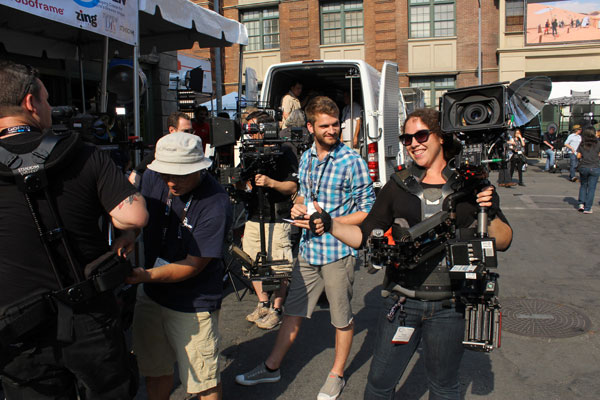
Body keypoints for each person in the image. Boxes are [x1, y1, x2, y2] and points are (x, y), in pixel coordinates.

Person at [309, 108, 513, 400]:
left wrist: (487, 211)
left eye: (421, 135)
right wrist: (330, 224)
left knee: (443, 386)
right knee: (379, 384)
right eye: (407, 139)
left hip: (451, 305)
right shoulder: (398, 185)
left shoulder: (471, 185)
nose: (414, 144)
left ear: (440, 137)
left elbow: (503, 241)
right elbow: (364, 235)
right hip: (402, 301)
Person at [0, 61, 149, 399]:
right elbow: (135, 216)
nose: (50, 107)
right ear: (30, 102)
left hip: (15, 326)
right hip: (89, 318)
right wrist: (127, 234)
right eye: (47, 99)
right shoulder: (81, 153)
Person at [235, 96, 375, 400]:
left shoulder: (352, 161)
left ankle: (336, 375)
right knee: (293, 312)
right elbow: (302, 195)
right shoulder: (308, 157)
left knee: (341, 319)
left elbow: (367, 211)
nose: (332, 130)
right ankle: (272, 367)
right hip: (309, 251)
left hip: (338, 252)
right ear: (310, 127)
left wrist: (329, 222)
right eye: (325, 126)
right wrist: (298, 207)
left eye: (335, 124)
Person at [127, 132, 232, 400]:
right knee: (155, 370)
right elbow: (140, 217)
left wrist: (144, 276)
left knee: (204, 382)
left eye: (180, 175)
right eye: (166, 174)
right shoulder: (153, 177)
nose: (171, 182)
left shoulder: (215, 202)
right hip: (152, 294)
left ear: (199, 168)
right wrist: (128, 235)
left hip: (193, 302)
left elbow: (193, 265)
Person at [242, 111, 299, 330]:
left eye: (254, 129)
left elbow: (292, 186)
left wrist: (270, 183)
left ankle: (277, 309)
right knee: (252, 262)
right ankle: (263, 304)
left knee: (280, 265)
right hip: (254, 215)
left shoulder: (284, 151)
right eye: (249, 130)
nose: (251, 134)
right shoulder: (249, 151)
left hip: (277, 216)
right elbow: (243, 180)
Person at [128, 111, 194, 187]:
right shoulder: (162, 150)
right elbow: (135, 175)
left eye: (191, 131)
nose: (190, 135)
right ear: (172, 130)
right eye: (186, 131)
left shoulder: (194, 150)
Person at [576, 127, 600, 213]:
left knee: (583, 185)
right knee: (591, 188)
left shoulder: (582, 143)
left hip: (584, 166)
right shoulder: (598, 143)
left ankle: (581, 204)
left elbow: (578, 156)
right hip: (595, 166)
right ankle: (588, 208)